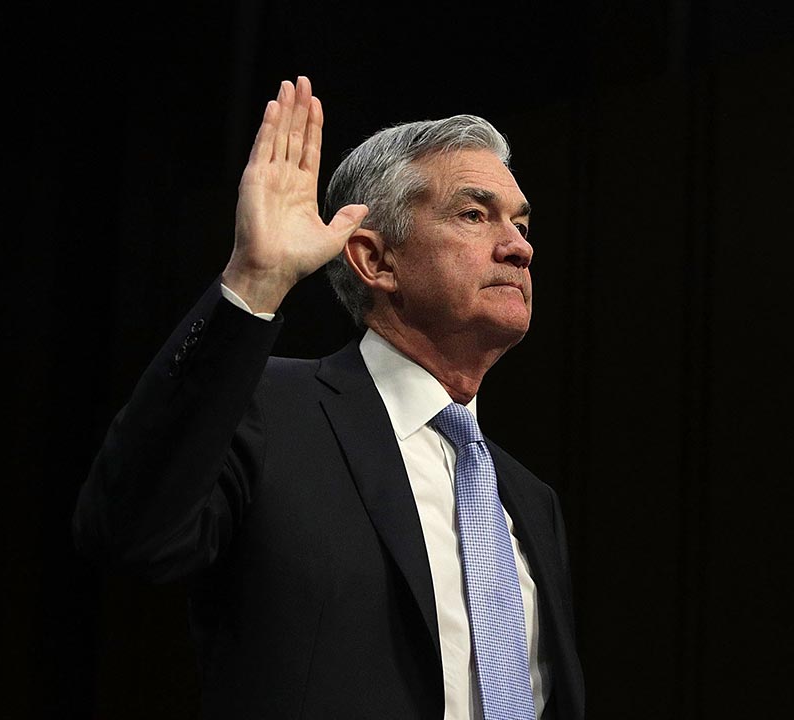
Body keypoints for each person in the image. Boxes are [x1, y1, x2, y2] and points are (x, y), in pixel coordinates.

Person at [72, 76, 584, 719]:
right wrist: (254, 281)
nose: (519, 246)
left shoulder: (532, 502)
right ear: (375, 260)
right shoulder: (267, 411)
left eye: (521, 222)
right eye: (474, 214)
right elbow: (129, 533)